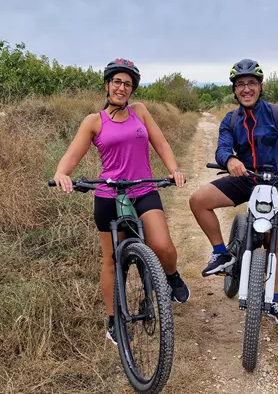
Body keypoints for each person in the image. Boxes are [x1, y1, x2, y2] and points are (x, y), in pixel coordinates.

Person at [53, 58, 190, 344]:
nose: (122, 87)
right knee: (112, 261)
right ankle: (114, 319)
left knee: (162, 246)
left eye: (127, 84)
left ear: (132, 89)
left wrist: (174, 169)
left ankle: (172, 275)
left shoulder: (139, 111)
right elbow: (72, 155)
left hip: (143, 189)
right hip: (109, 195)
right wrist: (61, 174)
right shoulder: (94, 121)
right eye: (117, 81)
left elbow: (161, 143)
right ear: (107, 85)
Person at [188, 58, 278, 327]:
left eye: (251, 83)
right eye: (240, 85)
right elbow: (222, 148)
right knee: (198, 200)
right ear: (234, 90)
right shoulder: (231, 119)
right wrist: (229, 160)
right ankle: (221, 253)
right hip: (244, 179)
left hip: (274, 183)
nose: (246, 89)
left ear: (260, 87)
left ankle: (273, 300)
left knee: (273, 243)